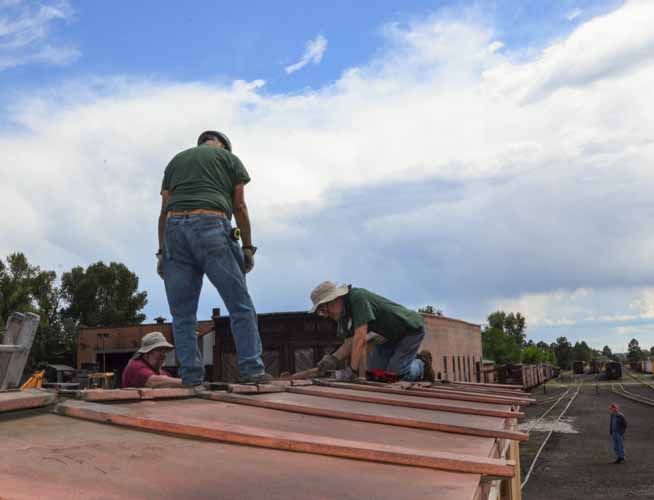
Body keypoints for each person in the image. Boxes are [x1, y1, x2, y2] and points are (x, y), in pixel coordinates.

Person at [157, 130, 269, 385]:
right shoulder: (229, 159)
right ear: (223, 147)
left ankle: (191, 378)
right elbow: (239, 206)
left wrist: (162, 252)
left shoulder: (176, 161)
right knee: (240, 304)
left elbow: (164, 212)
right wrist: (247, 246)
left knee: (183, 315)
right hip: (212, 224)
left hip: (174, 232)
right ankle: (252, 370)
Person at [309, 281, 435, 381]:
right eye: (321, 311)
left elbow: (360, 338)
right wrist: (333, 359)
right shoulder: (343, 315)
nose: (324, 315)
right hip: (389, 336)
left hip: (410, 329)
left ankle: (422, 364)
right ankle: (406, 362)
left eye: (323, 309)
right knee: (375, 374)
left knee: (395, 376)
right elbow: (350, 342)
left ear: (334, 299)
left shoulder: (357, 297)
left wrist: (352, 371)